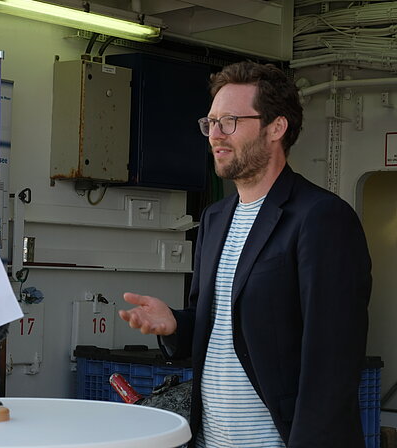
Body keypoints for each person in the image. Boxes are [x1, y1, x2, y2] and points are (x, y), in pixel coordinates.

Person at [119, 62, 371, 447]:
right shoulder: (216, 218)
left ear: (276, 128)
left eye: (230, 121)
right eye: (211, 122)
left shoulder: (321, 218)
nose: (215, 135)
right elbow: (223, 326)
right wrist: (176, 324)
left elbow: (332, 363)